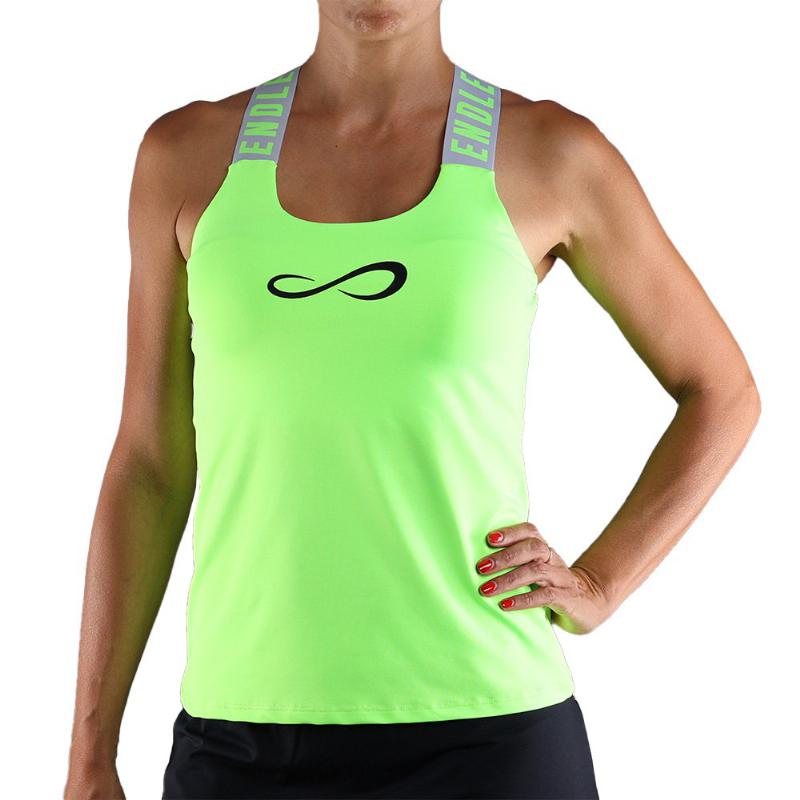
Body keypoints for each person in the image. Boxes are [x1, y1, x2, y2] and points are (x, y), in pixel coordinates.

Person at [64, 2, 761, 799]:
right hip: (240, 744)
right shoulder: (185, 158)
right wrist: (90, 754)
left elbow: (722, 390)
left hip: (491, 738)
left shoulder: (554, 155)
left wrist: (601, 584)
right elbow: (150, 466)